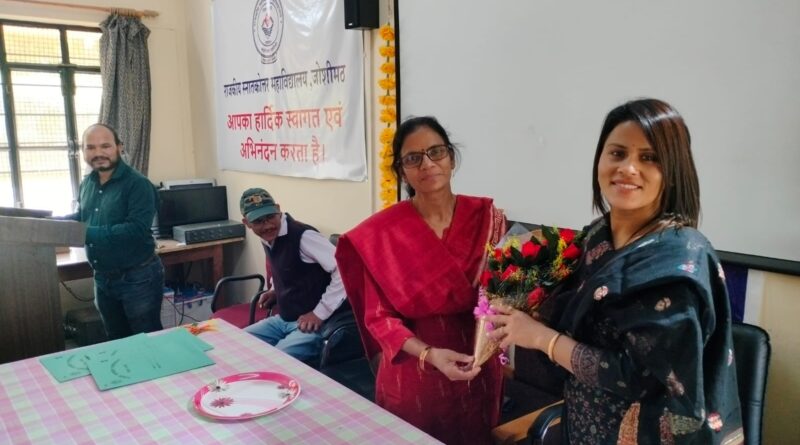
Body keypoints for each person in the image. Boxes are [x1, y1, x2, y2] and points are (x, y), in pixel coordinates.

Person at [487, 99, 743, 444]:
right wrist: (523, 307)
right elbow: (576, 320)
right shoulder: (597, 235)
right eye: (617, 153)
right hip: (582, 424)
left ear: (673, 169)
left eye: (648, 157)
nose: (628, 168)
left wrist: (540, 338)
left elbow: (641, 378)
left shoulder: (679, 259)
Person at [335, 116, 506, 444]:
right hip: (416, 369)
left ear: (451, 158)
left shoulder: (488, 218)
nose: (427, 164)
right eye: (413, 158)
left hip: (477, 363)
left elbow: (502, 293)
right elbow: (378, 318)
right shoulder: (380, 234)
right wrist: (429, 354)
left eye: (436, 152)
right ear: (402, 171)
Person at [68, 123, 164, 340]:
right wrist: (53, 226)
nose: (98, 153)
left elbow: (136, 229)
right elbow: (82, 217)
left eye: (105, 146)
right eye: (90, 147)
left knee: (146, 342)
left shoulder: (138, 184)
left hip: (138, 278)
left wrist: (85, 233)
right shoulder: (87, 183)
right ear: (83, 151)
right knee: (116, 341)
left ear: (119, 147)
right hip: (102, 279)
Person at [240, 187, 347, 364]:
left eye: (270, 217)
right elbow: (284, 267)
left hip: (313, 325)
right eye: (259, 221)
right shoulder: (269, 237)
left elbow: (344, 270)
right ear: (247, 223)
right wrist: (275, 289)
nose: (267, 225)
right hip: (284, 318)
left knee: (273, 362)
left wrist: (319, 313)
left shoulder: (304, 236)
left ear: (278, 209)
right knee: (238, 344)